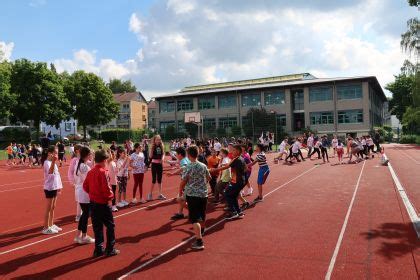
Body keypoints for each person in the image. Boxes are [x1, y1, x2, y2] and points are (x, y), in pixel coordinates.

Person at [83, 149, 119, 257]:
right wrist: (110, 198)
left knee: (97, 226)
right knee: (110, 226)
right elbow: (107, 190)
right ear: (104, 160)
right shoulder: (103, 172)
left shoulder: (90, 172)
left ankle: (98, 249)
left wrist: (93, 193)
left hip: (93, 203)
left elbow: (85, 186)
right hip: (102, 203)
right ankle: (110, 249)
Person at [179, 146, 211, 250]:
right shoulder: (203, 165)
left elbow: (183, 181)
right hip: (203, 195)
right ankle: (201, 231)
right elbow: (209, 178)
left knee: (194, 219)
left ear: (188, 155)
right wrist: (202, 184)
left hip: (192, 195)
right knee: (201, 215)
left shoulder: (189, 166)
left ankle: (199, 241)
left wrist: (180, 191)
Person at [212, 144, 246, 220]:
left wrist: (214, 170)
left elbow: (226, 166)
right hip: (240, 181)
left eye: (233, 150)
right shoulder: (241, 158)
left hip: (237, 181)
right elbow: (245, 169)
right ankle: (239, 212)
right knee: (233, 196)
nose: (232, 151)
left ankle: (233, 212)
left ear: (237, 151)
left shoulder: (236, 159)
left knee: (228, 194)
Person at [73, 146, 95, 244]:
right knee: (86, 214)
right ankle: (84, 236)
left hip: (80, 191)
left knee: (85, 214)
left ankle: (79, 235)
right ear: (87, 155)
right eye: (90, 154)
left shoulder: (79, 163)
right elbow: (89, 180)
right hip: (84, 192)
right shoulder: (84, 166)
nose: (91, 155)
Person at [42, 146, 63, 234]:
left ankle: (51, 224)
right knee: (48, 208)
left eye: (57, 153)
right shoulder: (47, 162)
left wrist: (59, 186)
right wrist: (54, 161)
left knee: (53, 207)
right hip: (49, 188)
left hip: (54, 187)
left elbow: (57, 175)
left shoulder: (52, 162)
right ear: (49, 153)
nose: (56, 155)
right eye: (55, 153)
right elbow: (50, 173)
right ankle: (46, 227)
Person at [168, 146, 190, 220]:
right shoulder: (185, 158)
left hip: (187, 183)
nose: (176, 156)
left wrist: (172, 173)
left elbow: (184, 167)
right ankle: (180, 213)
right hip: (187, 182)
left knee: (179, 199)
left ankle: (193, 211)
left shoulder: (183, 161)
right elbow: (179, 164)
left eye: (176, 154)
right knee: (182, 199)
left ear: (180, 154)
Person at [148, 135, 166, 201]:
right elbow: (150, 156)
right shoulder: (153, 147)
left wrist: (162, 158)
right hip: (154, 164)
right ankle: (150, 194)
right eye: (157, 139)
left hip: (160, 164)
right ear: (154, 140)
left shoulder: (161, 146)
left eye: (159, 139)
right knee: (154, 180)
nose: (158, 141)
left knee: (160, 180)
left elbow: (163, 154)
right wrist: (151, 150)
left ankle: (160, 194)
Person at [68, 144, 82, 222]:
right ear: (77, 151)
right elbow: (70, 172)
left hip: (84, 182)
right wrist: (72, 182)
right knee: (79, 200)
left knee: (84, 199)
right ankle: (78, 216)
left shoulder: (83, 159)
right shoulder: (74, 160)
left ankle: (82, 213)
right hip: (78, 183)